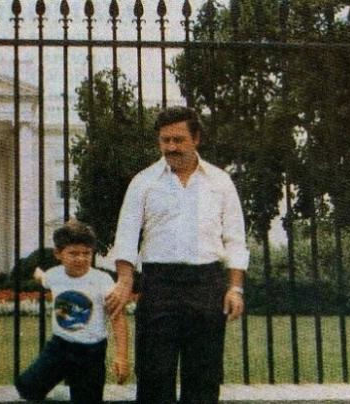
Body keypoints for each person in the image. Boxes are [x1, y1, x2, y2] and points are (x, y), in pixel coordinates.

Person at [106, 106, 249, 404]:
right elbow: (127, 236)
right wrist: (124, 280)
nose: (171, 147)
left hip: (207, 285)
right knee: (154, 374)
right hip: (159, 286)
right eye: (165, 140)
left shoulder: (220, 182)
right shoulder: (143, 182)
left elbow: (235, 238)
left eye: (178, 140)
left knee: (204, 377)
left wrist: (235, 288)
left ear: (196, 138)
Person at [15, 220, 130, 404]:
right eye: (73, 253)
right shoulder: (55, 275)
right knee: (26, 388)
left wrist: (121, 357)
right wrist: (35, 271)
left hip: (90, 354)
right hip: (59, 347)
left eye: (86, 253)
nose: (81, 259)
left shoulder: (102, 281)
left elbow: (117, 318)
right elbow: (42, 278)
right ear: (58, 254)